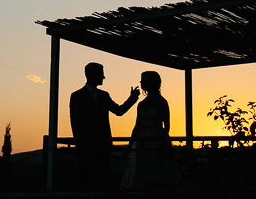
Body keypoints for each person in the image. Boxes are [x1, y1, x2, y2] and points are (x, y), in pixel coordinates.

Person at [69, 62, 140, 190]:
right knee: (86, 179)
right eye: (101, 74)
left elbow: (119, 111)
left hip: (103, 145)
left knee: (103, 179)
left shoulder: (104, 95)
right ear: (90, 75)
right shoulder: (77, 96)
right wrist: (80, 143)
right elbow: (75, 122)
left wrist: (132, 99)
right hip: (86, 146)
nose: (104, 77)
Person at [120, 71, 181, 190]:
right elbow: (137, 126)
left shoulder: (162, 102)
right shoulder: (141, 104)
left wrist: (163, 143)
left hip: (156, 142)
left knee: (157, 173)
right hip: (142, 143)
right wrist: (129, 146)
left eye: (143, 80)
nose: (141, 83)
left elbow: (167, 126)